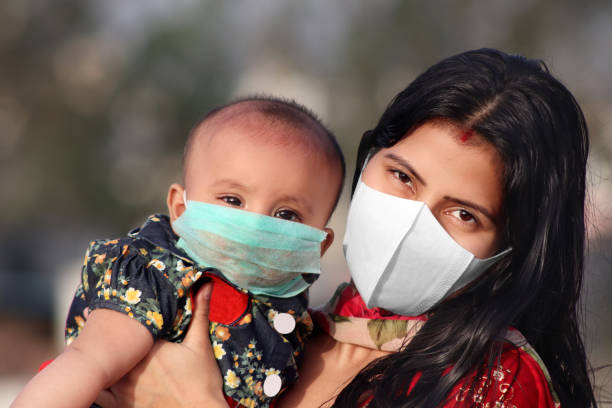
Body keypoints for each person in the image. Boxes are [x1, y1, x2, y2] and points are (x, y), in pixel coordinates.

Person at [99, 48, 597, 407]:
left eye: (463, 213)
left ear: (513, 248)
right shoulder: (283, 331)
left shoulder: (494, 383)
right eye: (401, 177)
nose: (411, 221)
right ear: (367, 161)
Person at [11, 97, 345, 408]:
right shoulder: (158, 276)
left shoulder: (306, 324)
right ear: (180, 209)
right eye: (232, 200)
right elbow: (87, 363)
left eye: (286, 215)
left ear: (320, 244)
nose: (255, 225)